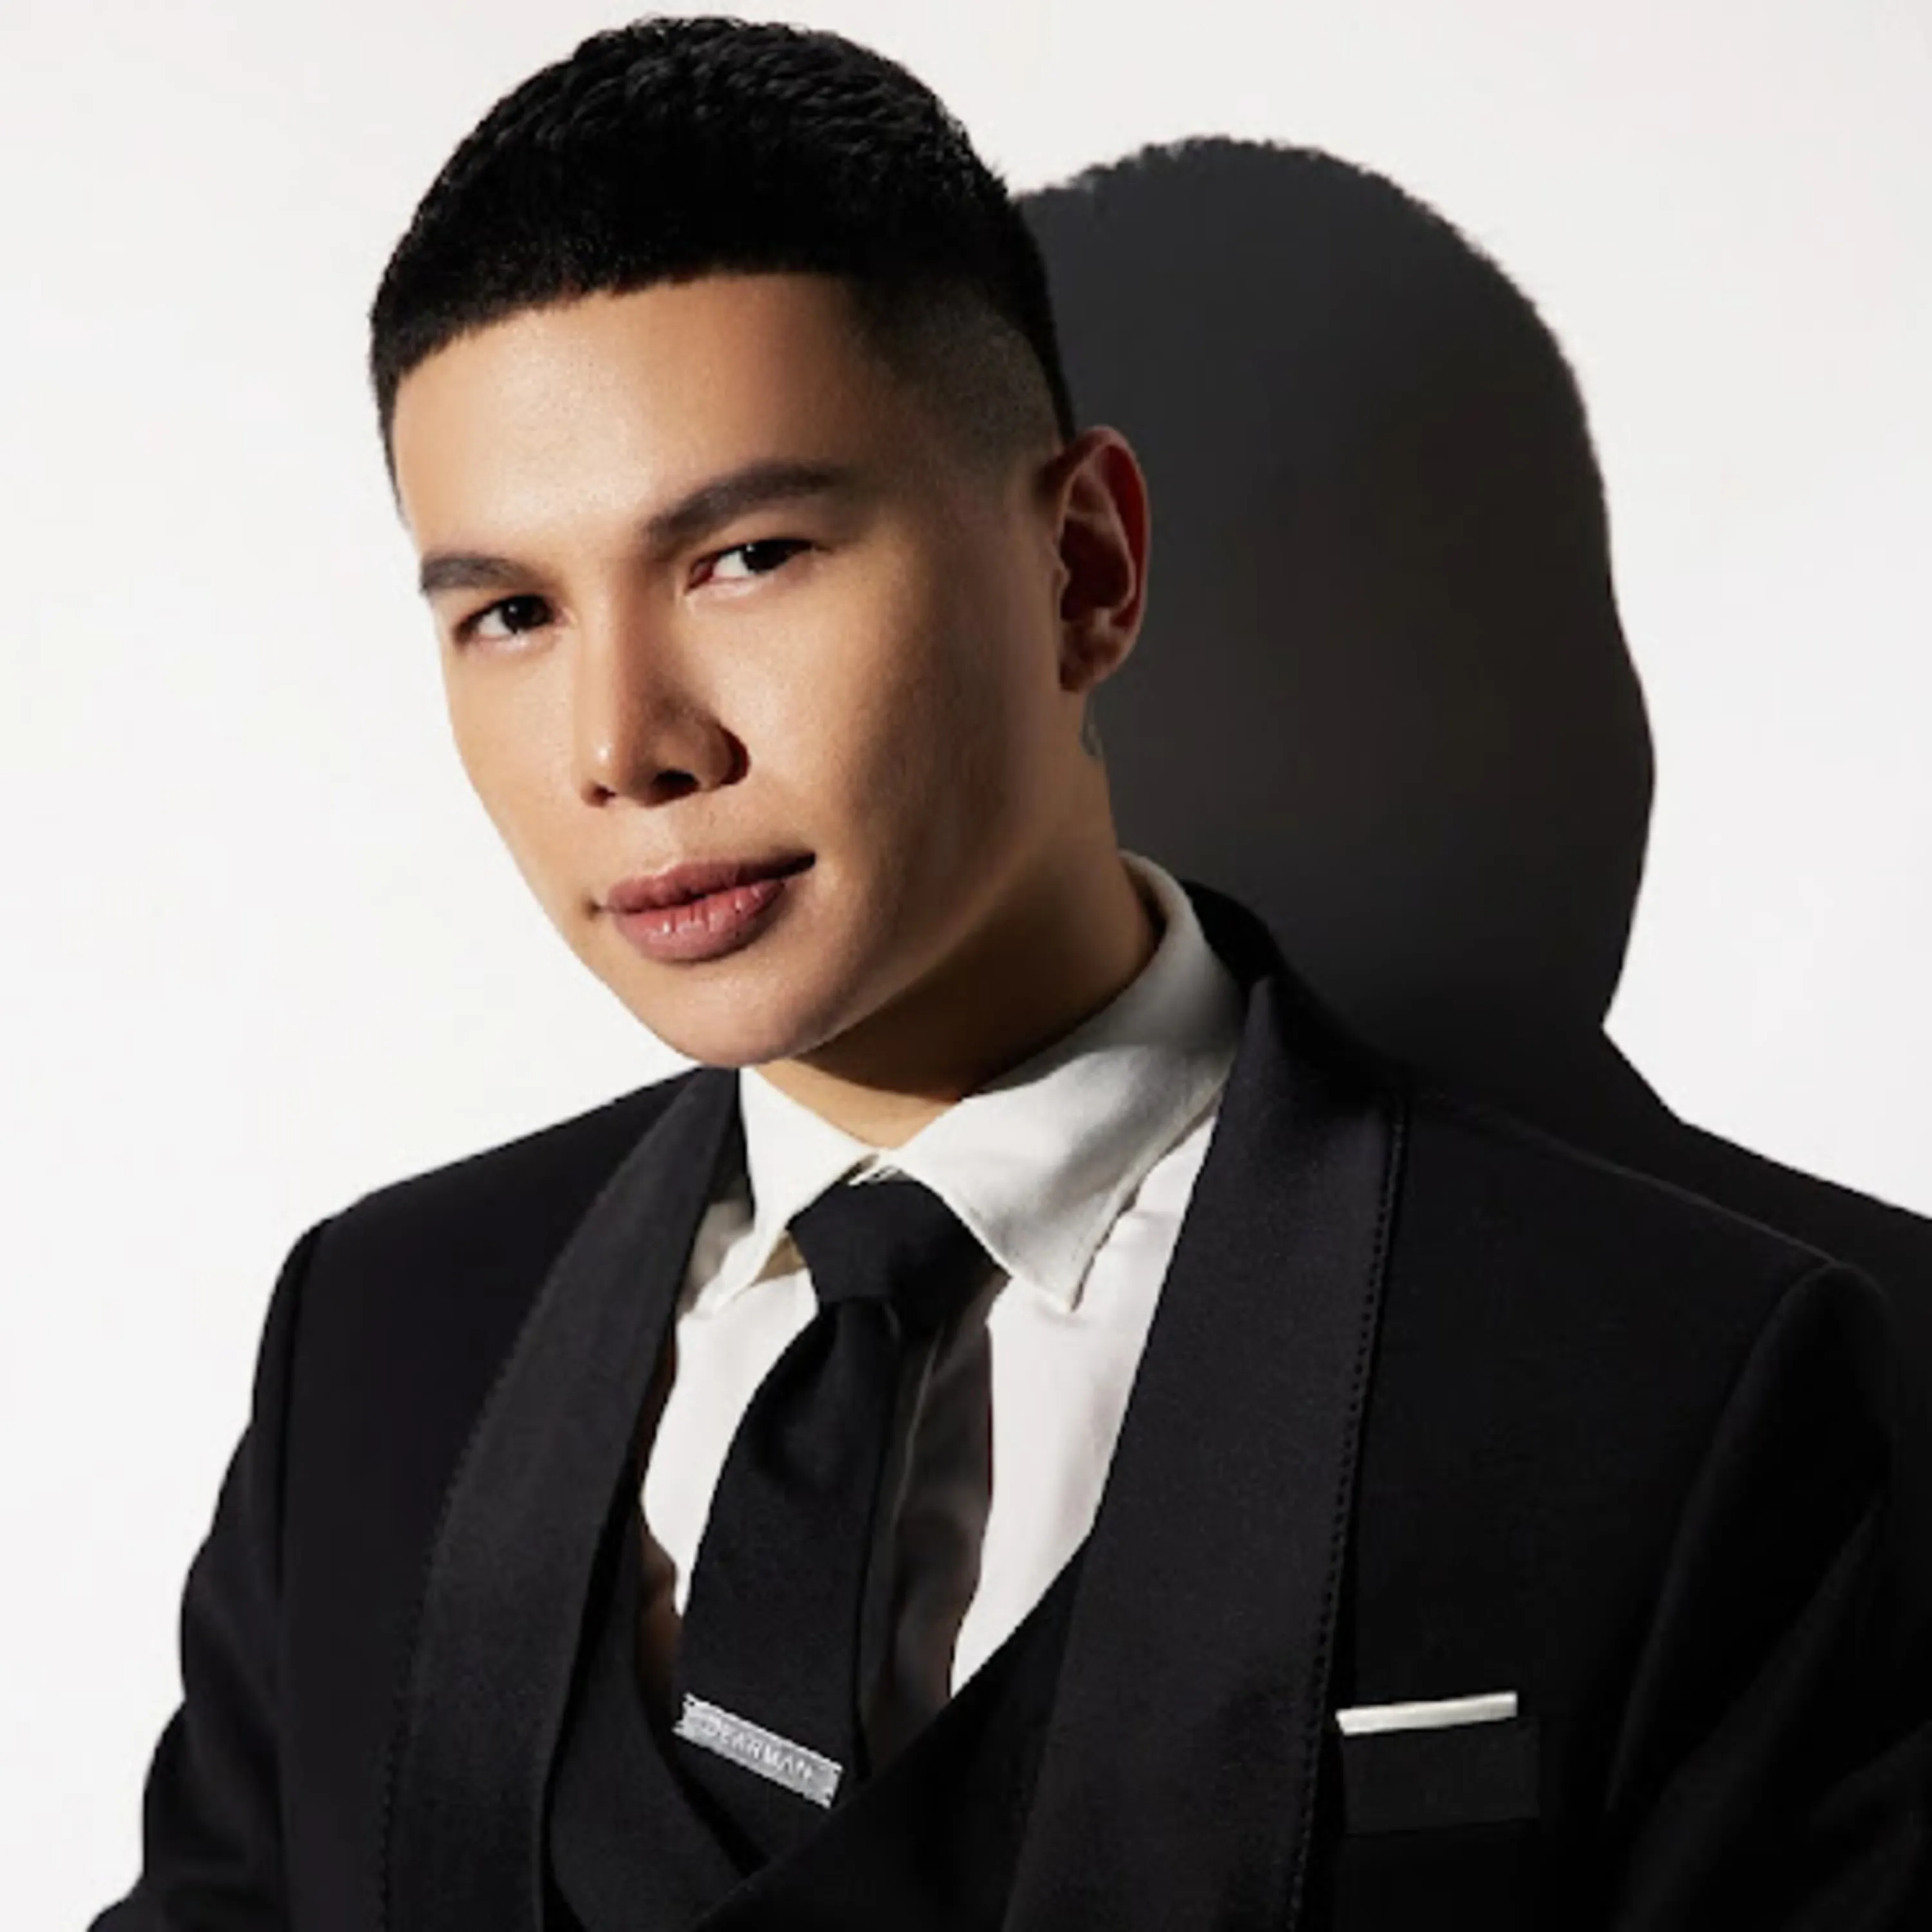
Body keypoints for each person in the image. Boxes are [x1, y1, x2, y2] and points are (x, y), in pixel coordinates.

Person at [92, 17, 1930, 1930]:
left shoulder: (1685, 1377)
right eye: (510, 612)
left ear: (1085, 569)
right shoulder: (383, 1340)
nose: (623, 744)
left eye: (748, 556)